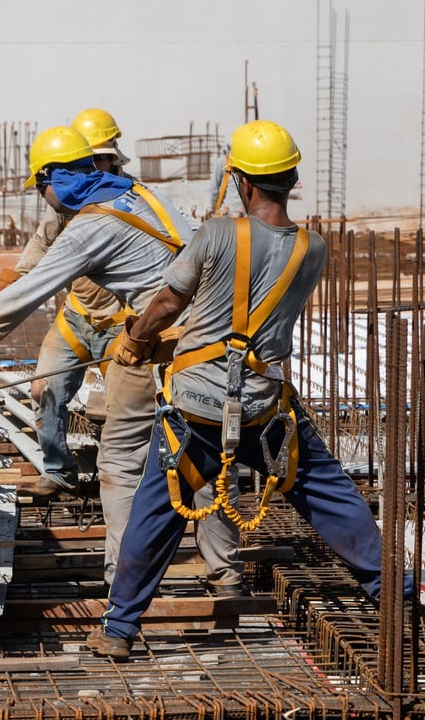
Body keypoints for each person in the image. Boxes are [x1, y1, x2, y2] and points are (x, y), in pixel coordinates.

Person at [85, 119, 399, 661]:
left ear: (241, 181)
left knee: (154, 513)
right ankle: (395, 595)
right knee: (330, 495)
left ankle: (118, 631)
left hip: (196, 412)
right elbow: (252, 314)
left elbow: (166, 304)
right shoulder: (312, 249)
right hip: (264, 407)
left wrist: (136, 341)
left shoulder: (214, 234)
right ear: (291, 178)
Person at [0, 124, 204, 586]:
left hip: (152, 339)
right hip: (205, 337)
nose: (42, 198)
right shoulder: (138, 195)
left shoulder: (89, 226)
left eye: (41, 187)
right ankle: (225, 570)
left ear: (56, 180)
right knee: (208, 450)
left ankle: (123, 582)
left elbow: (29, 293)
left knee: (120, 464)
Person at [0, 108, 135, 502]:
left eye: (92, 161)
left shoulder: (133, 200)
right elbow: (41, 244)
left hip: (122, 324)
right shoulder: (69, 202)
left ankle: (122, 482)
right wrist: (14, 281)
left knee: (125, 409)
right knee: (43, 389)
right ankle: (59, 472)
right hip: (77, 316)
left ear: (110, 159)